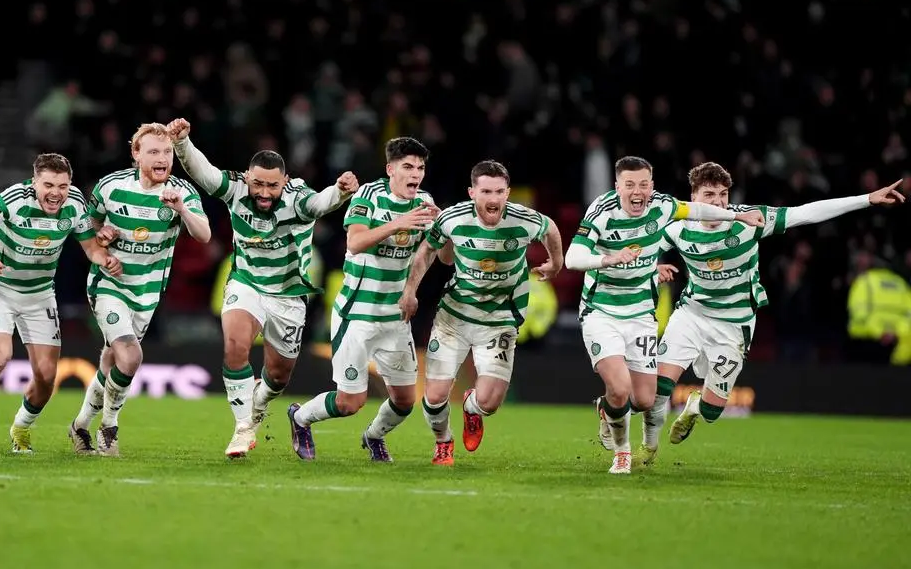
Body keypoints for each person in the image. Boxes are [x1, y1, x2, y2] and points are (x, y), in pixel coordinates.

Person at [653, 164, 905, 456]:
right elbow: (646, 245)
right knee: (659, 384)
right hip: (692, 314)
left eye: (723, 194)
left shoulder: (749, 219)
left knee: (712, 411)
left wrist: (865, 199)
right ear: (693, 196)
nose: (717, 202)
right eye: (708, 195)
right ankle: (644, 449)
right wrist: (652, 265)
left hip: (733, 323)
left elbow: (804, 213)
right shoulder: (679, 223)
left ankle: (695, 408)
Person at [167, 117, 358, 457]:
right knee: (235, 345)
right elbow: (204, 171)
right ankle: (243, 428)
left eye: (273, 186)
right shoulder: (236, 189)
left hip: (287, 296)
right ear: (248, 177)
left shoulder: (298, 199)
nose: (265, 193)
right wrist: (182, 143)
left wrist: (340, 193)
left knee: (279, 375)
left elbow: (320, 203)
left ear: (285, 181)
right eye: (258, 184)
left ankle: (258, 404)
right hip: (247, 283)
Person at [565, 156, 763, 475]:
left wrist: (738, 214)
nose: (637, 191)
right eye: (629, 184)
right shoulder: (602, 211)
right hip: (602, 311)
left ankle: (608, 409)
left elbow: (695, 210)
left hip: (642, 313)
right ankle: (624, 454)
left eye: (644, 184)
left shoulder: (663, 207)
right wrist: (611, 259)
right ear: (617, 186)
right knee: (619, 388)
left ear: (652, 186)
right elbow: (572, 258)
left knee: (645, 399)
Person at [0, 153, 123, 454]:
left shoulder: (75, 204)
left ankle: (21, 428)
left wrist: (105, 259)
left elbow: (90, 248)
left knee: (46, 377)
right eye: (48, 185)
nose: (56, 193)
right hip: (0, 290)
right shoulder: (14, 198)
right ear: (34, 183)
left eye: (62, 185)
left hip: (40, 294)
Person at [398, 160, 563, 465]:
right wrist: (410, 291)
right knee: (434, 397)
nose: (493, 199)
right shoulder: (452, 218)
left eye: (499, 192)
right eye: (486, 191)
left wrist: (556, 262)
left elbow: (551, 227)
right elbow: (427, 252)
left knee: (490, 402)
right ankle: (443, 442)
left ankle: (472, 409)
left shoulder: (524, 219)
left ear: (508, 193)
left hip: (499, 320)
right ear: (472, 192)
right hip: (454, 317)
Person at [281, 137, 431, 462]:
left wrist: (441, 233)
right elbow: (355, 242)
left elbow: (434, 252)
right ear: (391, 169)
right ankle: (300, 417)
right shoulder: (369, 196)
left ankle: (374, 436)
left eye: (420, 167)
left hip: (395, 317)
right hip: (357, 314)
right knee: (350, 403)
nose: (415, 173)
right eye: (408, 166)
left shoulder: (425, 202)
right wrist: (397, 225)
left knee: (406, 400)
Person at [68, 123, 213, 457]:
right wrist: (102, 244)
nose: (162, 158)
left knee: (110, 361)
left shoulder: (181, 192)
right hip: (109, 285)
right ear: (136, 154)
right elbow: (87, 225)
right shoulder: (110, 186)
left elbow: (204, 235)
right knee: (130, 356)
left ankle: (79, 427)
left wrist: (181, 209)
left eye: (166, 153)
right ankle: (109, 427)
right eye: (153, 152)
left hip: (147, 293)